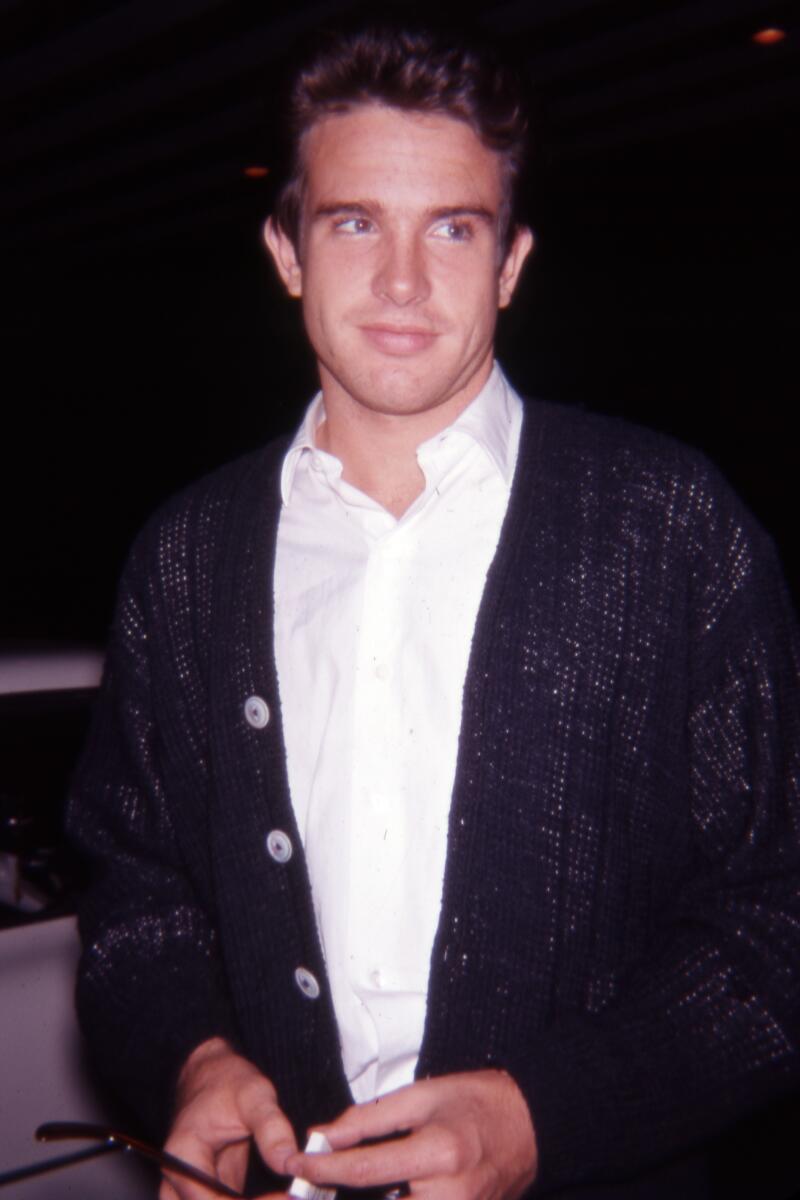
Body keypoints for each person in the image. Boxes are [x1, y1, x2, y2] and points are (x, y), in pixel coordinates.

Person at [67, 21, 800, 1200]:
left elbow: (779, 919)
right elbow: (137, 886)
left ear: (509, 264)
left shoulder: (669, 529)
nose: (402, 282)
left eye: (451, 230)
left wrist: (543, 1118)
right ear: (285, 251)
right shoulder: (187, 559)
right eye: (355, 222)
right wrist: (194, 1056)